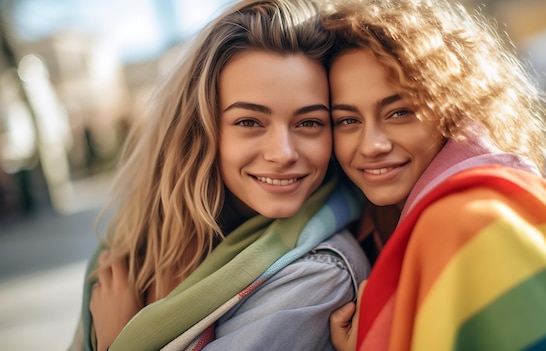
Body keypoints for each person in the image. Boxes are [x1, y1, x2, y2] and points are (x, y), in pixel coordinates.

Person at [321, 0, 546, 350]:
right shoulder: (480, 199)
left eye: (400, 112)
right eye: (347, 120)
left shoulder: (466, 220)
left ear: (451, 108)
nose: (371, 144)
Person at [68, 0, 369, 350]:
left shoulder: (319, 274)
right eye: (249, 122)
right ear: (202, 129)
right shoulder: (131, 247)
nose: (283, 153)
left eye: (309, 123)